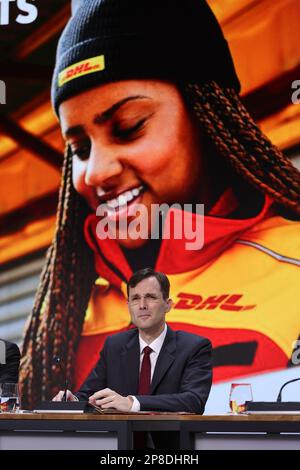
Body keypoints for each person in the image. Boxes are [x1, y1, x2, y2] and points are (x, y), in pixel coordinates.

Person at [20, 0, 300, 410]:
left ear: (209, 119)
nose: (95, 172)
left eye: (129, 127)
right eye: (79, 148)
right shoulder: (68, 306)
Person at [53, 268, 212, 449]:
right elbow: (89, 394)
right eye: (135, 299)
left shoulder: (194, 346)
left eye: (150, 297)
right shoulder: (114, 345)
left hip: (172, 451)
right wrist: (73, 401)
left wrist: (132, 403)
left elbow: (193, 401)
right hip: (119, 448)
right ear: (128, 305)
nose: (142, 305)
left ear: (168, 304)